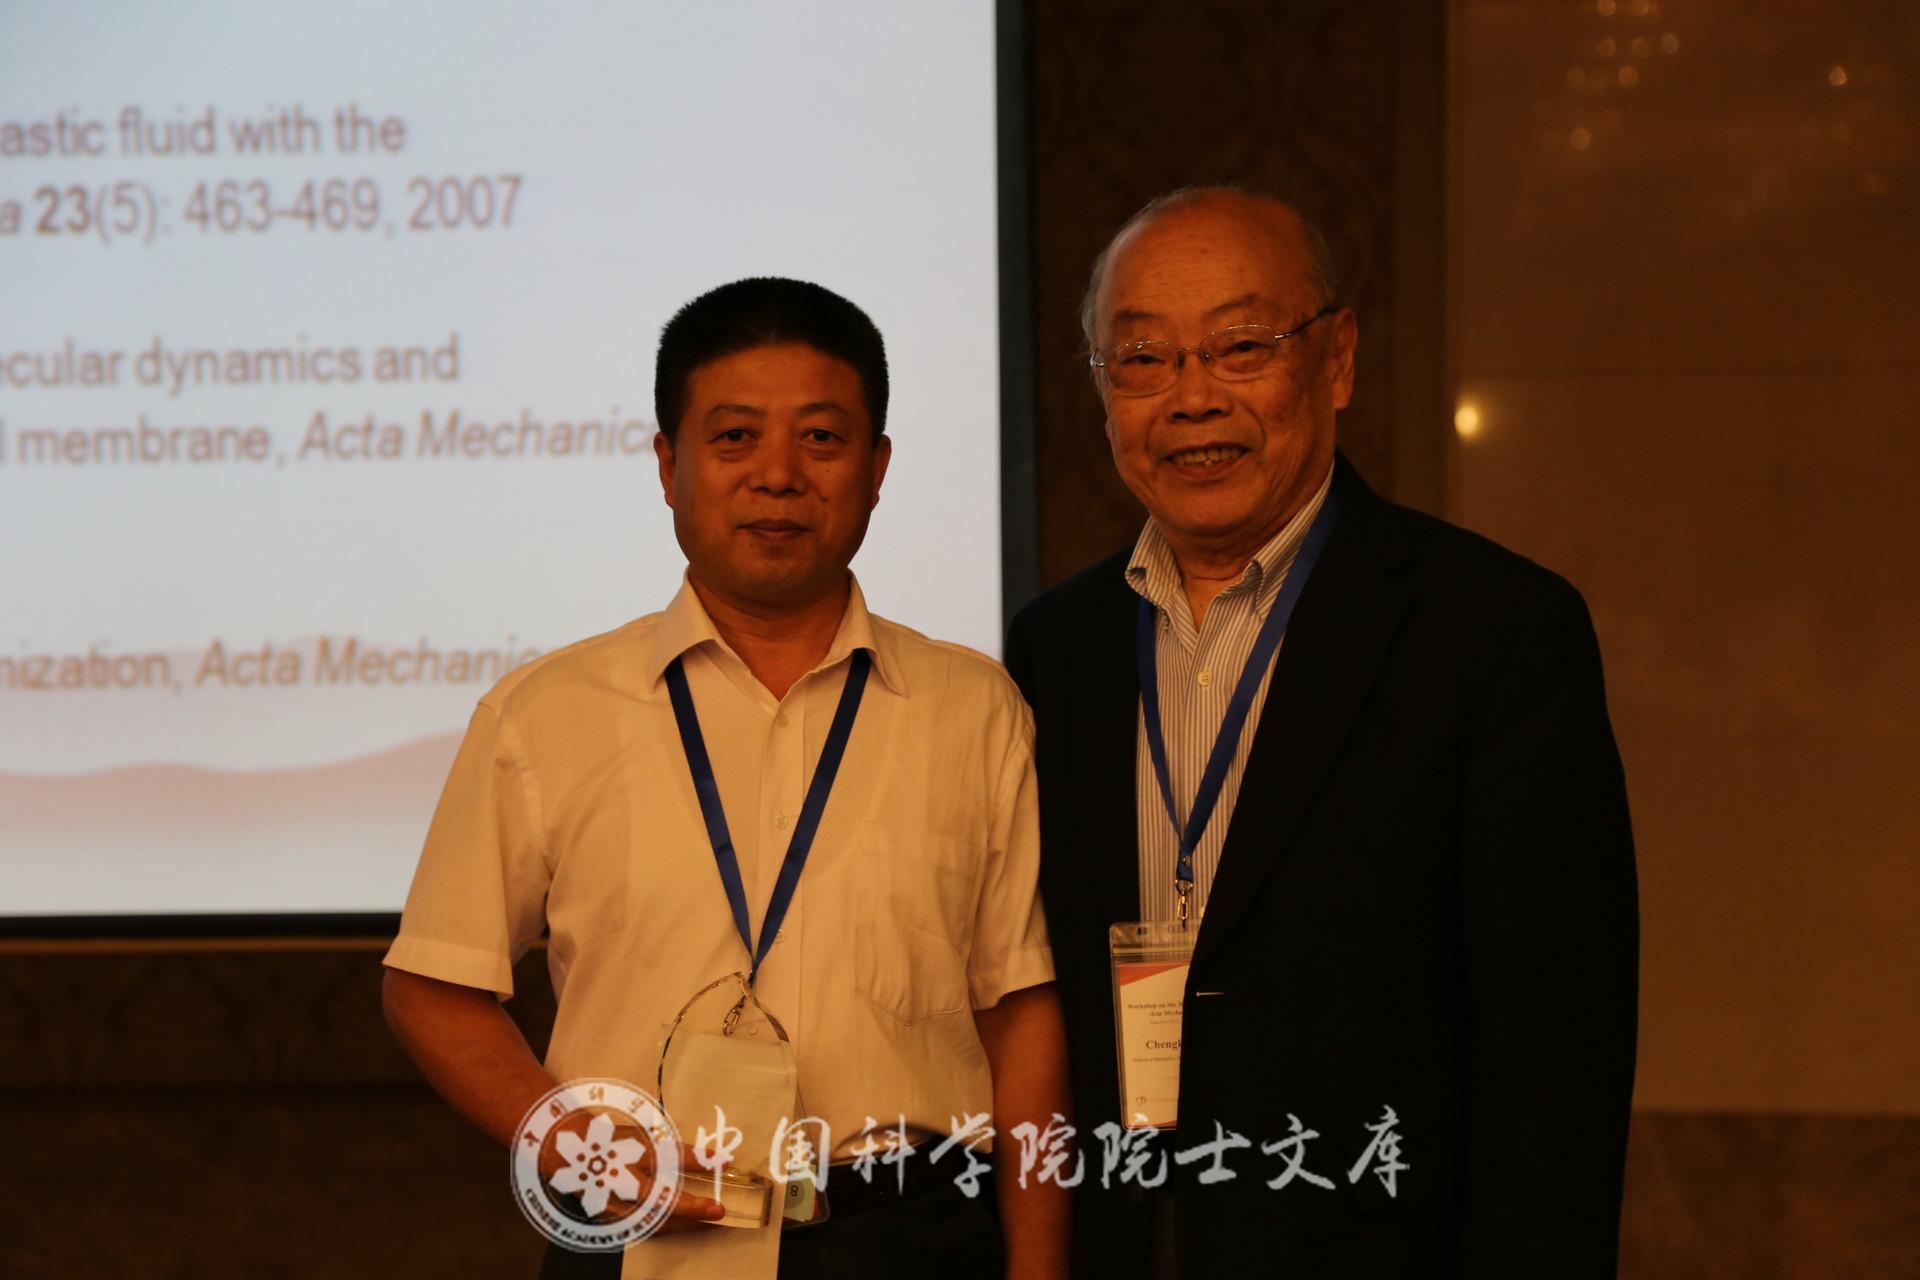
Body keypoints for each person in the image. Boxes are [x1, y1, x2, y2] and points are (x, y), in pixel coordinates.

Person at [1004, 188, 1638, 1277]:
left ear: (1337, 359)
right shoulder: (1056, 643)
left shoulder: (1493, 629)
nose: (1192, 399)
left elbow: (1558, 1052)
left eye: (1241, 346)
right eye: (1142, 358)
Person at [383, 277, 1069, 1280]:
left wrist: (1040, 1268)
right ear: (669, 465)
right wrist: (567, 1137)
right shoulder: (545, 714)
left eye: (822, 439)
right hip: (645, 1230)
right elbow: (432, 984)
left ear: (877, 468)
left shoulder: (974, 709)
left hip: (910, 1232)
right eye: (736, 437)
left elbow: (1019, 1011)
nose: (779, 476)